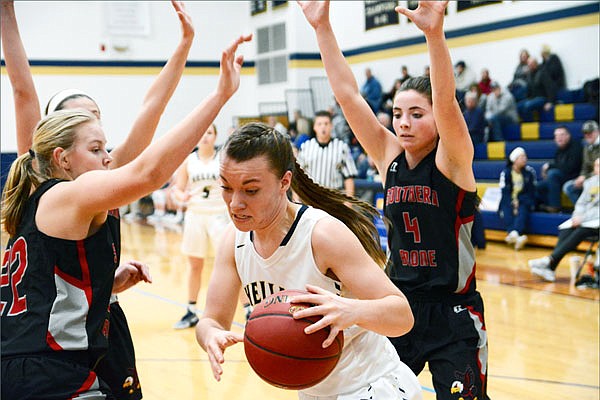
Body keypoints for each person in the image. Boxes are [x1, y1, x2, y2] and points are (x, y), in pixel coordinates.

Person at [0, 32, 250, 399]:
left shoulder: (47, 190)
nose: (107, 155)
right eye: (95, 144)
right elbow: (147, 172)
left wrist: (104, 282)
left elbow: (151, 108)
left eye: (98, 122)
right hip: (50, 359)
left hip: (59, 341)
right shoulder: (68, 191)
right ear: (61, 152)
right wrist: (218, 97)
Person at [300, 1, 490, 399]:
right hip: (396, 306)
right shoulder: (390, 157)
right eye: (398, 113)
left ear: (436, 117)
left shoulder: (454, 161)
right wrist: (321, 28)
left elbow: (447, 101)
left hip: (452, 312)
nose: (404, 122)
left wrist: (434, 36)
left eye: (417, 114)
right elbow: (349, 96)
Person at [194, 122, 422, 400]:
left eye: (250, 190)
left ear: (284, 182)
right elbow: (211, 320)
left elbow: (402, 315)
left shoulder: (322, 234)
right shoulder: (234, 241)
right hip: (314, 393)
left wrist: (352, 311)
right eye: (226, 187)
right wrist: (211, 336)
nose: (234, 203)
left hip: (371, 386)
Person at [170, 124, 235, 329]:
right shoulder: (189, 161)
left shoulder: (223, 158)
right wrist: (183, 196)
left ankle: (249, 309)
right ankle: (191, 310)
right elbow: (178, 190)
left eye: (209, 132)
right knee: (195, 264)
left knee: (232, 264)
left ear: (215, 136)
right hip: (195, 215)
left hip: (219, 215)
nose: (205, 136)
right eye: (202, 132)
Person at [529, 157, 600, 282]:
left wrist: (582, 218)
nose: (598, 168)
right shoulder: (590, 182)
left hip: (595, 221)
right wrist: (577, 215)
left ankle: (550, 261)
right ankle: (551, 267)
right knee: (565, 229)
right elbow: (580, 203)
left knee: (581, 230)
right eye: (596, 166)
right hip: (585, 219)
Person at [297, 110, 358, 196]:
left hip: (334, 197)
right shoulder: (305, 147)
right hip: (311, 197)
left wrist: (349, 202)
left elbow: (349, 178)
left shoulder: (341, 147)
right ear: (314, 127)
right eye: (319, 124)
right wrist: (296, 199)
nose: (323, 127)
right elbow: (298, 176)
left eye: (326, 124)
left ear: (331, 126)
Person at [536, 126, 583, 213]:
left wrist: (549, 166)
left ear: (568, 136)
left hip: (574, 177)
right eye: (556, 136)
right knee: (538, 186)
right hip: (561, 178)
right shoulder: (559, 150)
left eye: (562, 135)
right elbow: (559, 166)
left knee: (552, 174)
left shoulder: (576, 146)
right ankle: (541, 206)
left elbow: (569, 168)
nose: (559, 138)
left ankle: (555, 207)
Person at [498, 147, 536, 251]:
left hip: (524, 199)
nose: (525, 159)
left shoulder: (529, 172)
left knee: (523, 208)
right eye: (522, 157)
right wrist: (513, 202)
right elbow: (505, 192)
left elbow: (531, 191)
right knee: (506, 207)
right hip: (509, 199)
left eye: (525, 157)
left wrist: (519, 200)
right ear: (514, 160)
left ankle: (513, 234)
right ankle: (517, 236)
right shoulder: (506, 173)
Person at [562, 120, 600, 204]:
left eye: (590, 132)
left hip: (596, 178)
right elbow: (585, 166)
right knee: (569, 187)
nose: (587, 135)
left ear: (597, 132)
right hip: (590, 178)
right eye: (585, 133)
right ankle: (583, 211)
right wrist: (582, 176)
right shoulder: (587, 147)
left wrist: (586, 178)